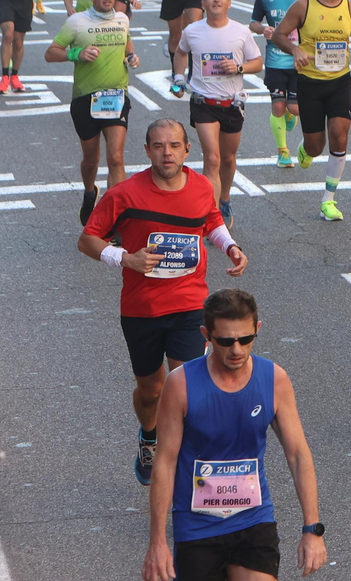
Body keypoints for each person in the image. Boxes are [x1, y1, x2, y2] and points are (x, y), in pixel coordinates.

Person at [142, 289, 325, 581]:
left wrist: (312, 529)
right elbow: (164, 462)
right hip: (198, 529)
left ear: (257, 329)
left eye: (245, 338)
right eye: (225, 341)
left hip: (253, 522)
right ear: (206, 336)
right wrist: (158, 542)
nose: (236, 349)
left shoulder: (274, 380)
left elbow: (298, 454)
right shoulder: (181, 384)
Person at [77, 119, 248, 486]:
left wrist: (229, 246)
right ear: (147, 151)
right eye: (158, 146)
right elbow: (88, 239)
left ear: (188, 150)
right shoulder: (125, 194)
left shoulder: (202, 187)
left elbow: (211, 220)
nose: (166, 152)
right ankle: (149, 435)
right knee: (151, 389)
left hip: (189, 304)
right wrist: (125, 258)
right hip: (141, 309)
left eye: (173, 146)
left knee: (185, 385)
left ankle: (187, 465)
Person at [270, 0, 351, 222]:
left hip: (339, 81)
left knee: (340, 135)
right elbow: (278, 35)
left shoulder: (350, 8)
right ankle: (307, 148)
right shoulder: (303, 5)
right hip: (310, 82)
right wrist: (295, 50)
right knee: (317, 146)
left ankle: (328, 199)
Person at [48, 0, 142, 222]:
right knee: (91, 159)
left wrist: (131, 57)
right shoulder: (77, 22)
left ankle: (117, 218)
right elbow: (51, 53)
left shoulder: (122, 19)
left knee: (116, 157)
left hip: (116, 95)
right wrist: (76, 53)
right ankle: (90, 192)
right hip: (85, 98)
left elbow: (127, 43)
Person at [175, 0, 263, 228]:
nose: (216, 0)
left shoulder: (240, 32)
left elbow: (257, 62)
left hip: (232, 103)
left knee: (228, 158)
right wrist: (178, 78)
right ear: (203, 4)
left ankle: (224, 199)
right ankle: (211, 215)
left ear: (229, 3)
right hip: (204, 102)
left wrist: (239, 68)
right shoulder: (192, 30)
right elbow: (180, 53)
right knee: (212, 159)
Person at [249, 0, 310, 169]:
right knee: (277, 106)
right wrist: (263, 28)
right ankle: (283, 152)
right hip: (275, 61)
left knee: (294, 109)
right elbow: (253, 22)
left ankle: (290, 115)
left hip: (298, 60)